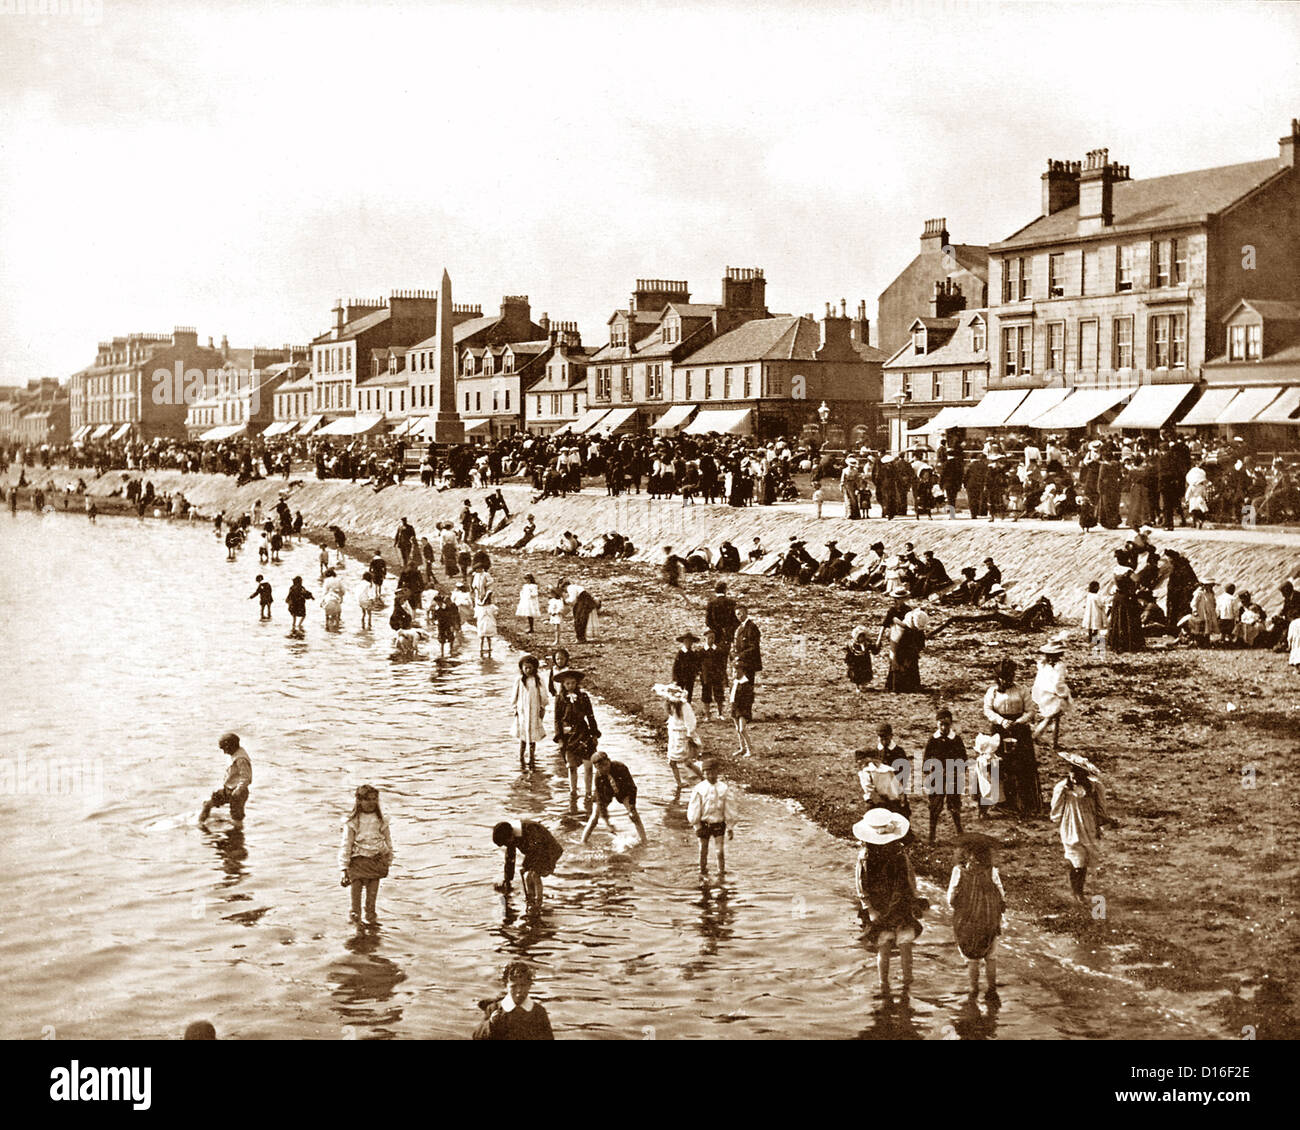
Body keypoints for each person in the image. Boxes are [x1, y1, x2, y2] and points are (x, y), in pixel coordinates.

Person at [854, 808, 925, 996]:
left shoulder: (900, 855)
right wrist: (869, 909)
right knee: (884, 945)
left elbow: (910, 878)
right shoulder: (865, 857)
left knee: (905, 943)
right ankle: (883, 984)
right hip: (879, 904)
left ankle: (907, 983)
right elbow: (861, 885)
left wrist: (914, 899)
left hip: (901, 901)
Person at [1049, 750, 1116, 905]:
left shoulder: (1094, 787)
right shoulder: (1062, 788)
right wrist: (1058, 820)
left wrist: (1101, 822)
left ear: (1084, 774)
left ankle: (1079, 889)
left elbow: (1101, 808)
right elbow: (1056, 808)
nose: (1073, 774)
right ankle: (1077, 892)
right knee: (1076, 858)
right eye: (1071, 771)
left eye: (1077, 772)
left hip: (1088, 825)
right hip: (1071, 825)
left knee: (1084, 859)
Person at [946, 834, 1005, 999]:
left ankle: (973, 991)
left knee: (972, 959)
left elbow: (950, 898)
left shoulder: (959, 871)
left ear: (964, 853)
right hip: (989, 920)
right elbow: (1001, 894)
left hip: (967, 921)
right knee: (991, 957)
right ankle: (992, 990)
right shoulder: (992, 871)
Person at [982, 658, 1042, 816]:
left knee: (1022, 765)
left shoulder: (1022, 690)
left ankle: (1026, 802)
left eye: (1009, 677)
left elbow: (1031, 711)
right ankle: (1002, 801)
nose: (1007, 680)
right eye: (1003, 677)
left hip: (1020, 731)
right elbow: (987, 710)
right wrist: (1001, 721)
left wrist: (1019, 722)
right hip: (999, 731)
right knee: (1000, 764)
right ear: (998, 678)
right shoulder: (992, 692)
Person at [338, 784, 393, 925]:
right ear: (359, 801)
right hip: (357, 862)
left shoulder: (381, 820)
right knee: (355, 903)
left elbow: (388, 841)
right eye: (367, 799)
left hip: (376, 861)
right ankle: (357, 928)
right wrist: (343, 869)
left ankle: (372, 926)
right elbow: (346, 844)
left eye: (374, 799)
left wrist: (388, 859)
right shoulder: (353, 822)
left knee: (371, 902)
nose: (371, 803)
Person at [492, 819, 564, 911]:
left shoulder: (529, 829)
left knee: (534, 875)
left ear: (511, 835)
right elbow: (510, 859)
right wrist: (507, 880)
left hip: (549, 850)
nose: (508, 845)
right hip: (537, 852)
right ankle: (531, 899)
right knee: (528, 877)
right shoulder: (511, 833)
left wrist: (525, 866)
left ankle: (539, 902)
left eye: (506, 842)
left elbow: (536, 849)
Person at [473, 962, 554, 1041]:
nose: (519, 990)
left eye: (523, 985)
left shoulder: (538, 1012)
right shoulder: (494, 1009)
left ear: (529, 985)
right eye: (513, 986)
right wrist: (490, 1024)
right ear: (505, 986)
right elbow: (477, 1037)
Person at [553, 668, 600, 801]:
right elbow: (557, 719)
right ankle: (573, 791)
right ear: (563, 685)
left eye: (573, 683)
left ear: (577, 683)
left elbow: (590, 716)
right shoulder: (560, 699)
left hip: (583, 732)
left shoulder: (583, 697)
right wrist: (560, 738)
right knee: (571, 765)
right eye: (567, 683)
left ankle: (588, 792)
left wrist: (594, 734)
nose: (571, 686)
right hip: (569, 735)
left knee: (588, 765)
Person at [582, 752, 648, 844]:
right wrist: (607, 822)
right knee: (594, 818)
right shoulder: (598, 778)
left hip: (622, 790)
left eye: (605, 764)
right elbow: (601, 801)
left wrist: (632, 806)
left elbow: (632, 788)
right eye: (600, 767)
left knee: (634, 815)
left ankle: (644, 840)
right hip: (606, 792)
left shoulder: (621, 767)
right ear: (596, 768)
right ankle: (583, 841)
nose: (604, 768)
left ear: (609, 761)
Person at [687, 758, 737, 878]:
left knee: (719, 851)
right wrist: (696, 824)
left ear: (718, 772)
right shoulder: (699, 788)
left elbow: (729, 808)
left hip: (718, 824)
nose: (711, 776)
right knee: (703, 850)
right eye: (708, 773)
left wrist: (730, 827)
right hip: (703, 824)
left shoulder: (724, 788)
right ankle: (702, 872)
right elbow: (694, 808)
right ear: (703, 773)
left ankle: (721, 873)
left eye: (714, 772)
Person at [923, 707, 966, 844]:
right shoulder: (933, 740)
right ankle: (932, 834)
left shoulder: (956, 740)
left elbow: (963, 758)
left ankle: (959, 830)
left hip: (952, 776)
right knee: (935, 805)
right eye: (941, 724)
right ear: (937, 724)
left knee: (954, 804)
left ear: (951, 724)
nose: (943, 727)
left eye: (946, 724)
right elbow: (926, 758)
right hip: (937, 777)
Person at [655, 682, 703, 787]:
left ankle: (703, 779)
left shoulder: (684, 706)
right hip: (673, 735)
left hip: (682, 735)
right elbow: (672, 719)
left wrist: (690, 735)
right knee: (672, 762)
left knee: (687, 762)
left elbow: (690, 721)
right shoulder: (670, 705)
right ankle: (679, 783)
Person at [199, 732, 251, 826]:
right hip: (228, 789)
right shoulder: (235, 754)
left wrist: (238, 790)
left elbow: (246, 777)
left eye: (224, 748)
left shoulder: (241, 759)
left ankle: (237, 836)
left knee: (236, 818)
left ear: (231, 746)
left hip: (238, 793)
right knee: (207, 804)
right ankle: (200, 824)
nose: (224, 752)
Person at [510, 654, 550, 772]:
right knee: (522, 735)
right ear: (521, 668)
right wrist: (514, 708)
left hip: (534, 712)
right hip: (522, 712)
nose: (528, 670)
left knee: (532, 736)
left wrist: (542, 707)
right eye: (525, 668)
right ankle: (521, 757)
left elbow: (543, 695)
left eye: (530, 668)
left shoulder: (538, 680)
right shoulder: (519, 680)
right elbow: (514, 695)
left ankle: (532, 757)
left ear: (535, 668)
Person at [1030, 641, 1072, 751]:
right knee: (1051, 718)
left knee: (1053, 717)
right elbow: (1058, 683)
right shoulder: (1059, 666)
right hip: (1054, 694)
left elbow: (1041, 681)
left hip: (1043, 693)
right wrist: (1063, 694)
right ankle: (1035, 736)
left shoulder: (1043, 664)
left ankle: (1053, 742)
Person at [972, 721, 1002, 820]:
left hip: (983, 779)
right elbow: (987, 768)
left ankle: (983, 812)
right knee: (985, 795)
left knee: (985, 796)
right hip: (985, 780)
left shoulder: (983, 757)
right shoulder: (986, 758)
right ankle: (982, 812)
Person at [705, 582, 740, 659]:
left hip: (716, 635)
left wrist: (716, 629)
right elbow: (736, 620)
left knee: (716, 658)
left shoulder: (711, 603)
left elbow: (708, 621)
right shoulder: (732, 603)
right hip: (728, 635)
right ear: (725, 590)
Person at [672, 631, 701, 701]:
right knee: (679, 695)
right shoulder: (680, 653)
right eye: (687, 641)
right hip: (680, 678)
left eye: (690, 642)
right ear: (684, 642)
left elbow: (696, 665)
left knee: (689, 695)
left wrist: (696, 673)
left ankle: (687, 710)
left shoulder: (693, 654)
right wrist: (675, 679)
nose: (689, 643)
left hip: (690, 678)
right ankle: (679, 711)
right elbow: (675, 667)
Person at [844, 625, 873, 692]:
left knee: (865, 674)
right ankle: (858, 686)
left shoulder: (866, 644)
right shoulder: (852, 645)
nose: (861, 638)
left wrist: (878, 645)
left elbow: (874, 649)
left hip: (865, 662)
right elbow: (849, 654)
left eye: (863, 636)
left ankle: (863, 685)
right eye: (860, 636)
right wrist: (850, 662)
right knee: (857, 674)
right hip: (856, 663)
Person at [475, 590, 498, 658]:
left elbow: (476, 615)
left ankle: (483, 648)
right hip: (486, 623)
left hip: (484, 623)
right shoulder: (490, 607)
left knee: (484, 637)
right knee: (484, 637)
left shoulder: (482, 607)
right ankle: (485, 648)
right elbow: (496, 613)